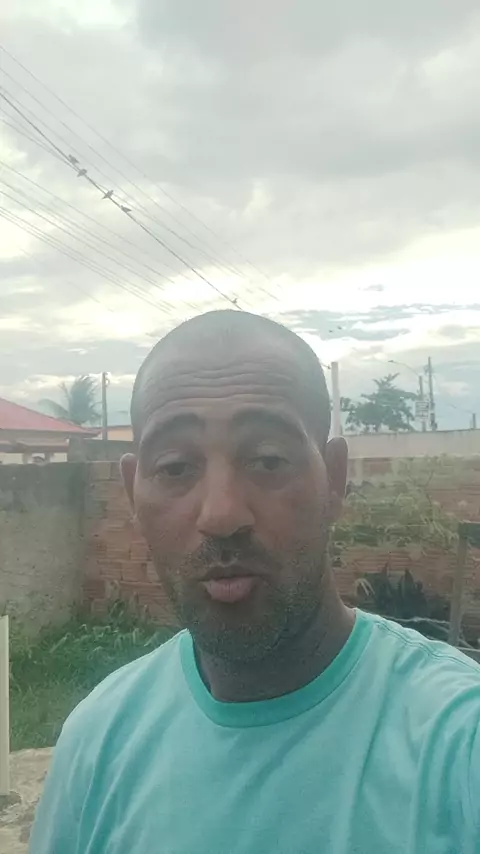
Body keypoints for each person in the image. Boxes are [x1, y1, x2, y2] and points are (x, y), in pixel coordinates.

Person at [30, 310, 480, 854]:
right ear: (133, 494)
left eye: (268, 460)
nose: (221, 515)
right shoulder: (98, 741)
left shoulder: (457, 743)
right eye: (175, 467)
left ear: (334, 479)